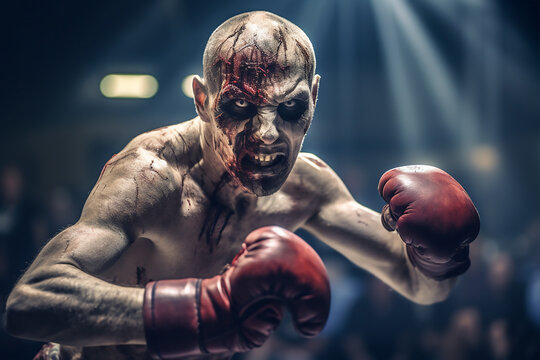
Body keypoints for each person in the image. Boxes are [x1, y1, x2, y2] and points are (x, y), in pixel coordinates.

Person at [4, 11, 480, 360]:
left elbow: (422, 289)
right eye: (239, 107)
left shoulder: (305, 186)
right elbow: (30, 302)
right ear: (202, 100)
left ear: (314, 98)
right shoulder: (151, 177)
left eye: (291, 110)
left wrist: (436, 255)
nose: (268, 135)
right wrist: (203, 311)